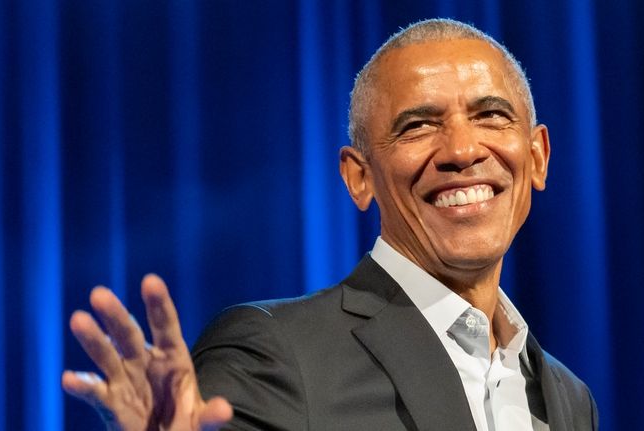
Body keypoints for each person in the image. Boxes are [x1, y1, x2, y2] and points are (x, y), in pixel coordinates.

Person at [62, 18, 598, 431]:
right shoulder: (274, 352)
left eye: (490, 116)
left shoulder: (567, 396)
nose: (461, 149)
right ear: (359, 177)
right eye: (417, 126)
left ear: (537, 157)